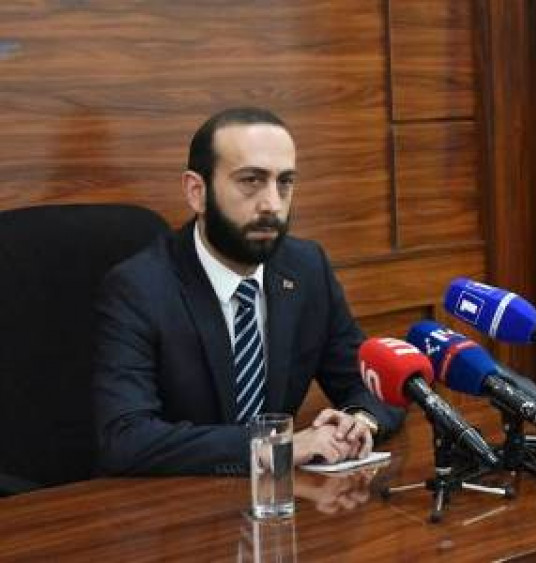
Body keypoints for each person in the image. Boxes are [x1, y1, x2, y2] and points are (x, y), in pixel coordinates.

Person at [93, 107, 404, 476]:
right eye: (251, 181)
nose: (272, 204)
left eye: (284, 182)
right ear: (197, 192)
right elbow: (126, 438)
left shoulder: (306, 268)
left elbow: (371, 382)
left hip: (284, 500)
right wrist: (274, 447)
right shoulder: (139, 288)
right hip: (179, 501)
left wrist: (360, 421)